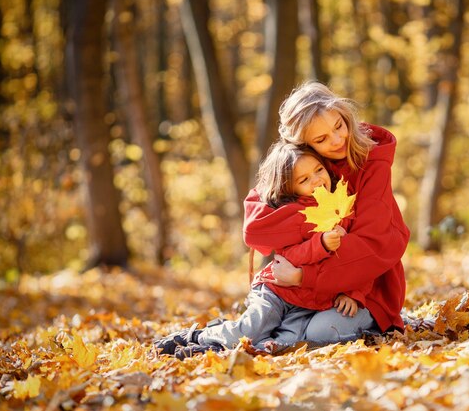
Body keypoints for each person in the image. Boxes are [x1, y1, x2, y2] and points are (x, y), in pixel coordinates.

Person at [154, 141, 366, 359]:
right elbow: (289, 256)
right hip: (276, 290)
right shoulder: (293, 213)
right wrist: (319, 244)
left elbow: (359, 259)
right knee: (253, 328)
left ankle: (215, 351)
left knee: (287, 341)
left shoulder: (344, 207)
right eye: (304, 180)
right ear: (289, 187)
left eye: (319, 169)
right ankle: (199, 337)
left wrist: (353, 294)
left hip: (310, 303)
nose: (316, 180)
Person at [245, 81, 411, 344]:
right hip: (305, 292)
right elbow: (256, 229)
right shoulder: (303, 166)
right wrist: (309, 223)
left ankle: (377, 322)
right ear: (303, 146)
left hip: (364, 288)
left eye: (339, 126)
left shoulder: (372, 164)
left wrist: (303, 276)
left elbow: (373, 244)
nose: (337, 140)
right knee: (268, 325)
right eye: (321, 139)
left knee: (321, 333)